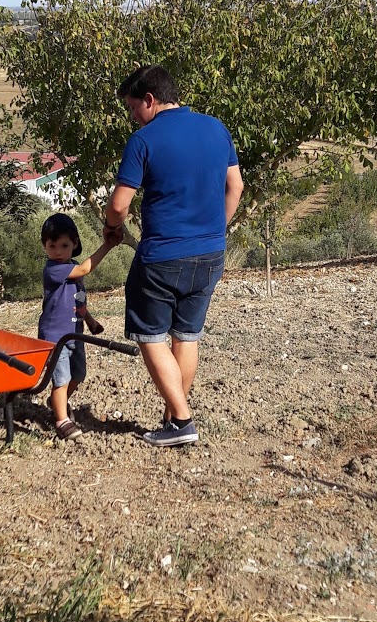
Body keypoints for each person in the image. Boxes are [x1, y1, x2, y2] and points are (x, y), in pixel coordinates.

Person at [103, 65, 243, 447]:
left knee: (149, 336)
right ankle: (172, 417)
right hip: (210, 254)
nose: (133, 117)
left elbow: (118, 205)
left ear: (149, 100)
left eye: (133, 108)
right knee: (186, 335)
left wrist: (111, 225)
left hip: (162, 256)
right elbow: (236, 186)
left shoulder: (143, 140)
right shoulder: (216, 128)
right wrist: (215, 229)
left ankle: (181, 420)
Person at [39, 212, 113, 442]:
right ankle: (61, 420)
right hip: (55, 337)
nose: (58, 251)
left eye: (64, 245)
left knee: (78, 375)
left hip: (75, 335)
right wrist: (107, 245)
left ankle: (57, 403)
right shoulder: (54, 269)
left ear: (74, 244)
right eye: (52, 246)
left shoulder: (70, 267)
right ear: (45, 246)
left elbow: (78, 301)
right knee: (60, 379)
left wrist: (90, 321)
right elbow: (84, 269)